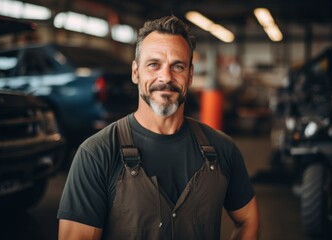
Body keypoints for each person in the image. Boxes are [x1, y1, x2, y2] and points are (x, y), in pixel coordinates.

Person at [57, 15, 261, 240]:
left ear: (190, 75)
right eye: (154, 65)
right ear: (136, 72)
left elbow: (248, 220)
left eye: (178, 66)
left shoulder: (223, 149)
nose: (166, 77)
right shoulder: (97, 154)